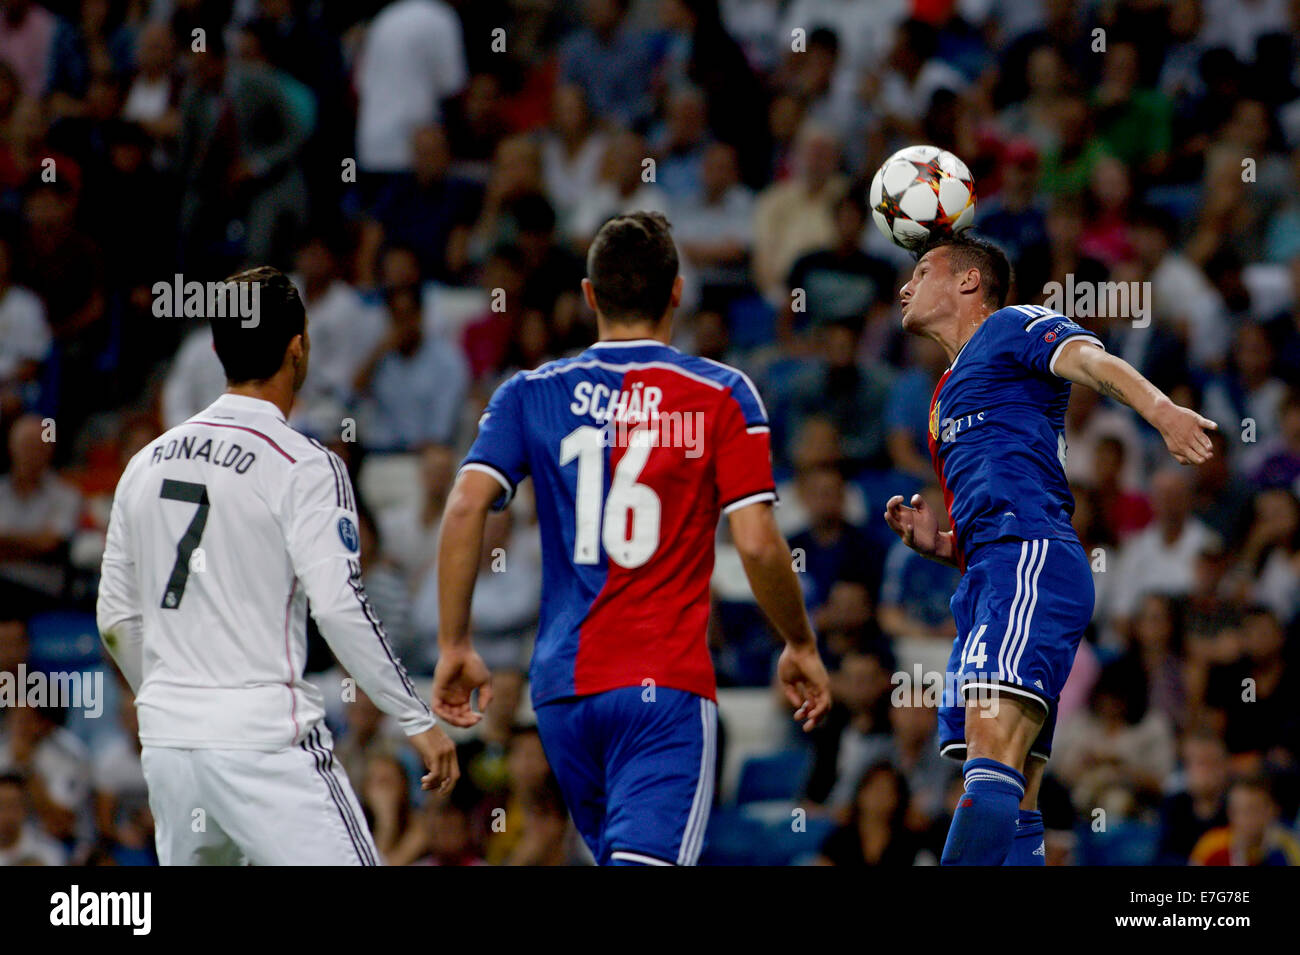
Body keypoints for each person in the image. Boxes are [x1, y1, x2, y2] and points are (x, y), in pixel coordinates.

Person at [432, 212, 831, 866]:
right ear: (677, 292)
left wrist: (453, 643)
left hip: (562, 694)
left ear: (589, 295)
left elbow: (464, 507)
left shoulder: (529, 392)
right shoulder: (721, 394)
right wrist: (799, 640)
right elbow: (757, 544)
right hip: (662, 689)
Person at [95, 267, 458, 866]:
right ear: (299, 347)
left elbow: (114, 616)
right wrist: (415, 718)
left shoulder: (145, 463)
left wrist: (168, 698)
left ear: (216, 349)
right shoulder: (303, 464)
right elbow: (340, 606)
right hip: (265, 743)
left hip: (171, 747)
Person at [883, 234, 1216, 866]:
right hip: (987, 571)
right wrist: (944, 544)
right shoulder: (943, 399)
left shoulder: (1011, 325)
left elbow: (1092, 361)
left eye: (923, 270)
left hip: (1028, 559)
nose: (905, 285)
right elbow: (1008, 486)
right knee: (1017, 784)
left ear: (968, 283)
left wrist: (1162, 410)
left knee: (992, 748)